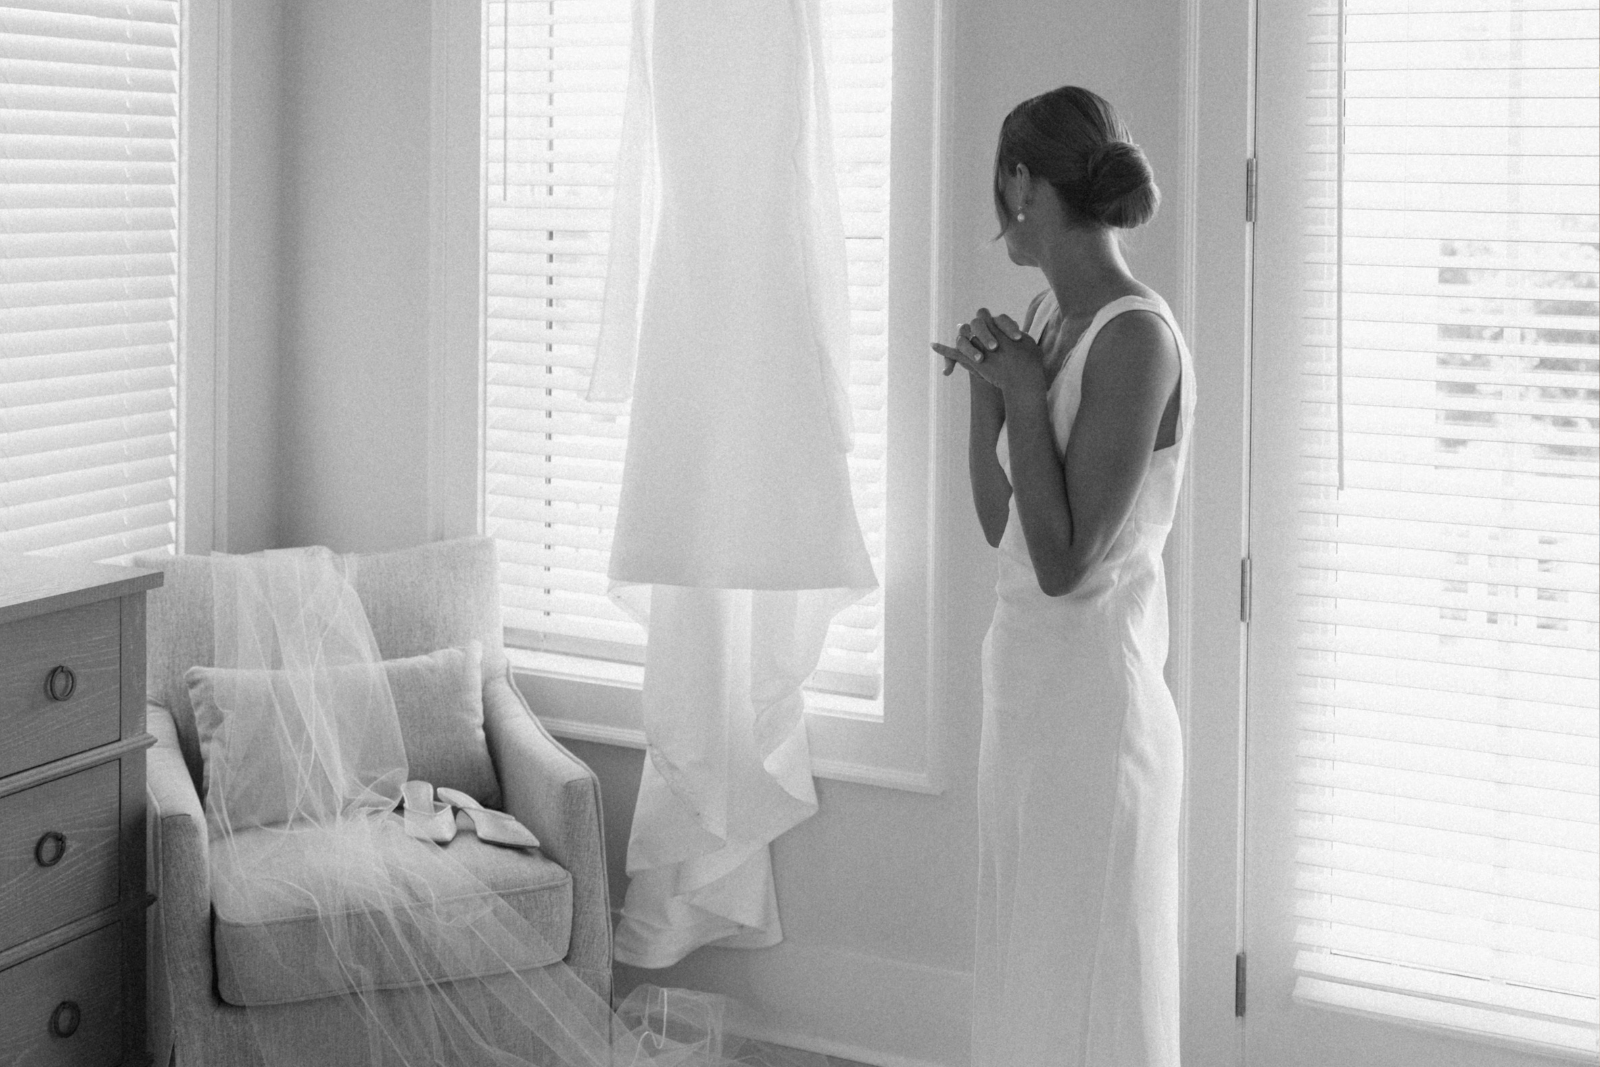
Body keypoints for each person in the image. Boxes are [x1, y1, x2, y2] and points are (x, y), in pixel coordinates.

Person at [932, 85, 1194, 1066]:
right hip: (1027, 696)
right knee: (1029, 979)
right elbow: (1004, 526)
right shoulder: (1049, 316)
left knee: (1086, 990)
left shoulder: (1136, 337)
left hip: (1094, 716)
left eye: (998, 183)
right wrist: (988, 402)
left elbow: (1064, 560)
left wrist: (1025, 391)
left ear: (1021, 183)